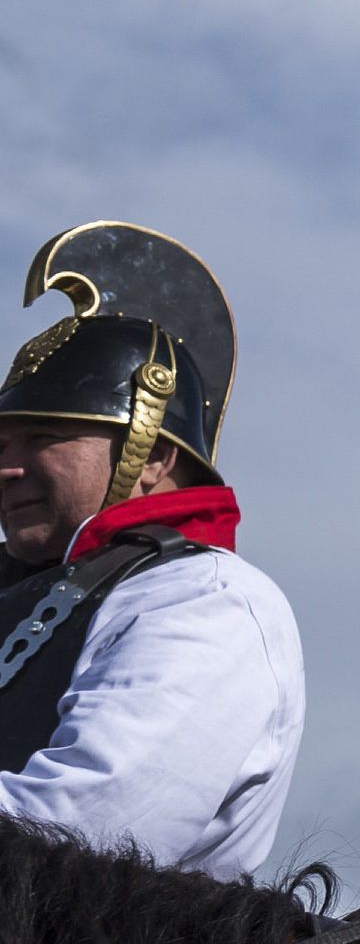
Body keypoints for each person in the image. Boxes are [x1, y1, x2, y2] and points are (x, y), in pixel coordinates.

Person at [0, 222, 300, 878]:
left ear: (153, 457)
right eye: (1, 447)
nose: (8, 468)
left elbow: (81, 833)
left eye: (43, 439)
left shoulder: (205, 600)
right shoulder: (21, 597)